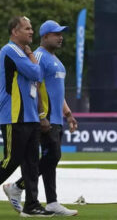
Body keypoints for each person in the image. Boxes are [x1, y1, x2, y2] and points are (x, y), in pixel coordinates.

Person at [3, 20, 78, 216]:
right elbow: (35, 85)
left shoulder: (56, 60)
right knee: (49, 156)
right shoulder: (37, 56)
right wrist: (42, 114)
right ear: (45, 36)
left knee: (45, 160)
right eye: (56, 34)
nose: (60, 37)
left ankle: (49, 202)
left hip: (53, 117)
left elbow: (57, 92)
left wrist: (68, 113)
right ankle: (18, 187)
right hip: (41, 117)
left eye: (61, 34)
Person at [0, 16, 54, 217]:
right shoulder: (11, 50)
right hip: (14, 115)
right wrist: (31, 53)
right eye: (27, 28)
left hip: (29, 116)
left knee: (32, 163)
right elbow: (37, 73)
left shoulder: (20, 52)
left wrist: (40, 114)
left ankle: (32, 205)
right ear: (15, 32)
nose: (31, 31)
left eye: (31, 28)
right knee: (11, 159)